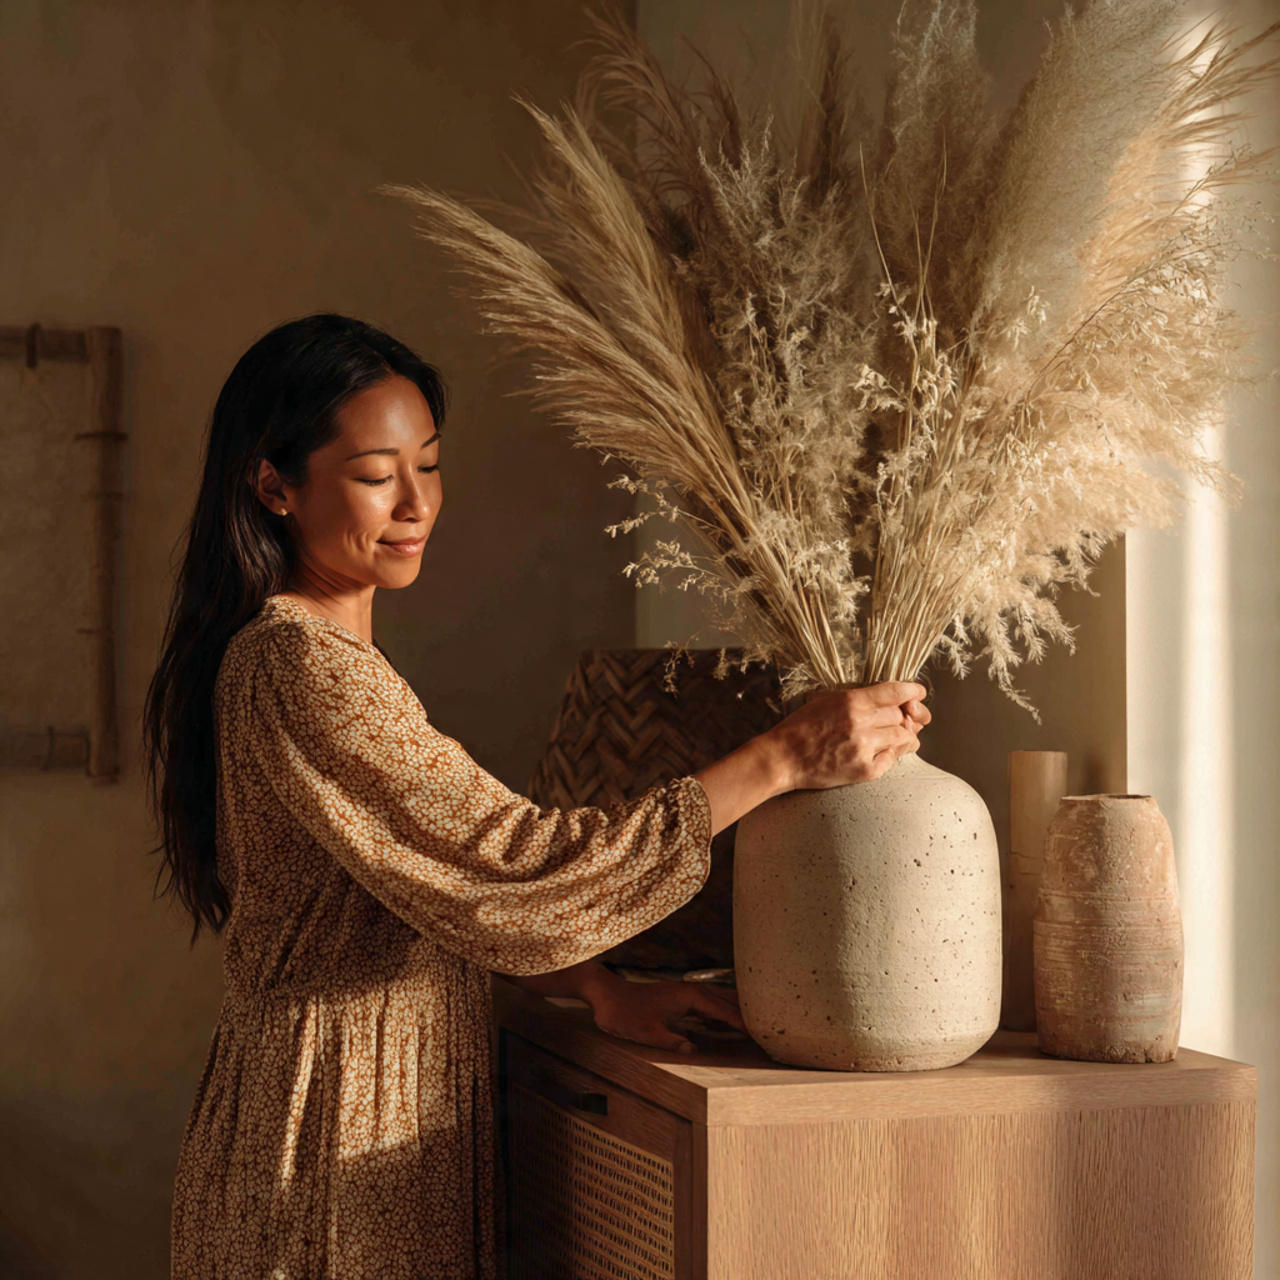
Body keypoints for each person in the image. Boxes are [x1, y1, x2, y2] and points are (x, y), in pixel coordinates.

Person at [145, 314, 929, 1279]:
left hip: (362, 1118)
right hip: (332, 1141)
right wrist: (780, 759)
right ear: (274, 485)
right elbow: (516, 866)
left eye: (427, 466)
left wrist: (594, 987)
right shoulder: (301, 668)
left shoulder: (325, 658)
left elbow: (434, 899)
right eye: (374, 473)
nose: (414, 504)